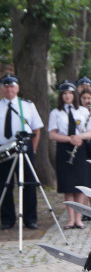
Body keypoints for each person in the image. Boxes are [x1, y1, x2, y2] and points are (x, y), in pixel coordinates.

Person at [49, 82, 91, 229]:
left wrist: (79, 137)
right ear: (61, 96)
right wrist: (69, 139)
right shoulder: (55, 113)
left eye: (70, 93)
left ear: (74, 95)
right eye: (64, 94)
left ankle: (79, 218)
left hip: (80, 149)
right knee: (68, 186)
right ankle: (70, 219)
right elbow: (52, 135)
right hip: (64, 149)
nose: (67, 96)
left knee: (80, 185)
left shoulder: (82, 111)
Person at [0, 73, 43, 230]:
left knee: (28, 185)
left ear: (17, 88)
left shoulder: (27, 105)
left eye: (11, 86)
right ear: (2, 88)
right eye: (6, 86)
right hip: (4, 151)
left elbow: (37, 130)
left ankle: (30, 219)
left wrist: (34, 149)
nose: (9, 89)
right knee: (4, 184)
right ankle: (7, 219)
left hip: (24, 149)